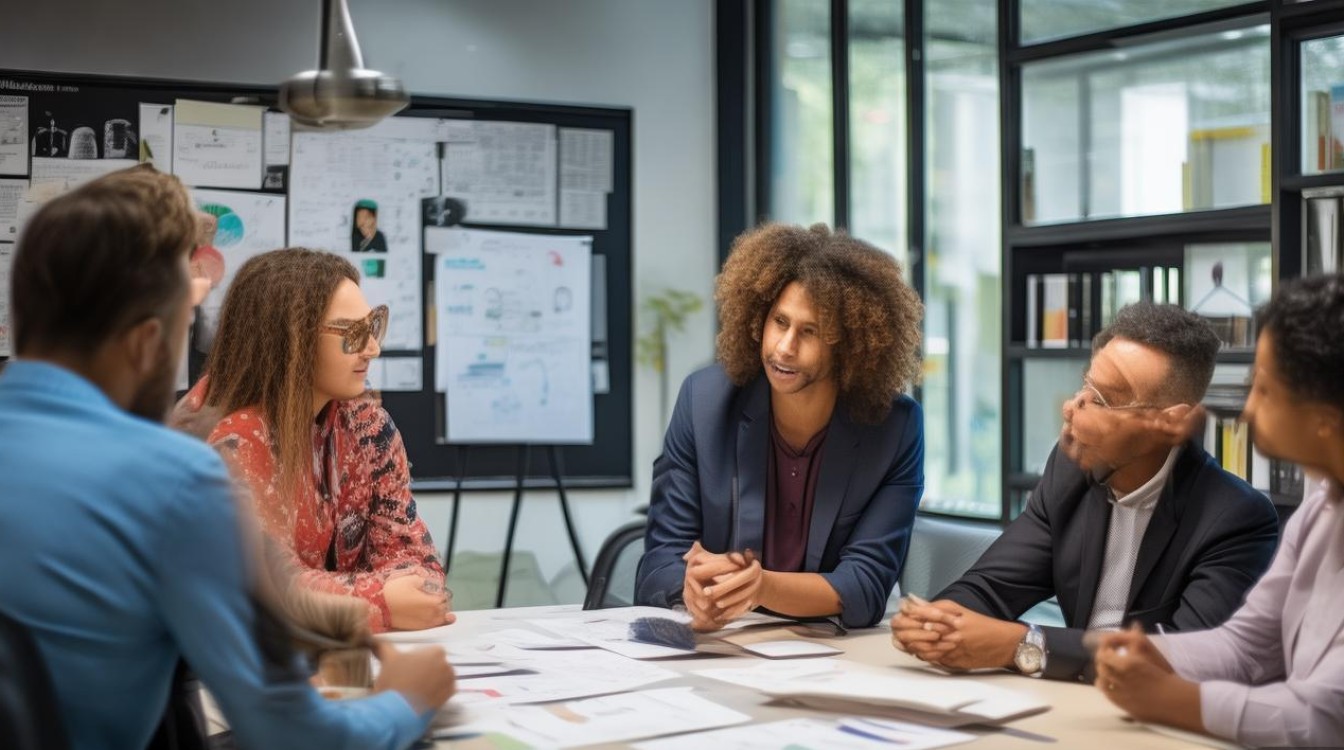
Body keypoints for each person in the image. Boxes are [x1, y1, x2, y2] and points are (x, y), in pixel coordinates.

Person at [0, 166, 455, 749]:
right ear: (146, 343)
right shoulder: (176, 480)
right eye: (183, 324)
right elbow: (293, 732)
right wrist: (408, 700)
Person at [892, 303, 1279, 682]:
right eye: (1085, 386)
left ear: (1168, 422)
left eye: (1103, 400)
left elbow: (1185, 659)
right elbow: (992, 587)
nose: (1071, 408)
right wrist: (938, 620)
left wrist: (1024, 645)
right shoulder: (1071, 472)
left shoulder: (1235, 518)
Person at [635, 222, 926, 631]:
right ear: (758, 319)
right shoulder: (704, 404)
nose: (785, 347)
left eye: (810, 332)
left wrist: (762, 588)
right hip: (721, 649)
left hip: (830, 654)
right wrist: (692, 590)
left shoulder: (895, 428)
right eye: (779, 322)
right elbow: (658, 563)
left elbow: (865, 586)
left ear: (850, 344)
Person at [1096, 274, 1344, 747]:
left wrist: (1170, 698)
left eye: (1264, 390)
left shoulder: (1245, 511)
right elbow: (1247, 646)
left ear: (1324, 419)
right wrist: (1151, 652)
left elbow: (1326, 718)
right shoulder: (1319, 512)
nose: (1246, 412)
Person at [175, 248, 451, 633]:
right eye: (352, 333)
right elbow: (263, 592)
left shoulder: (368, 426)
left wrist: (405, 595)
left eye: (372, 327)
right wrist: (379, 603)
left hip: (329, 654)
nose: (373, 348)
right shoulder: (229, 440)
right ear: (291, 340)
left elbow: (418, 562)